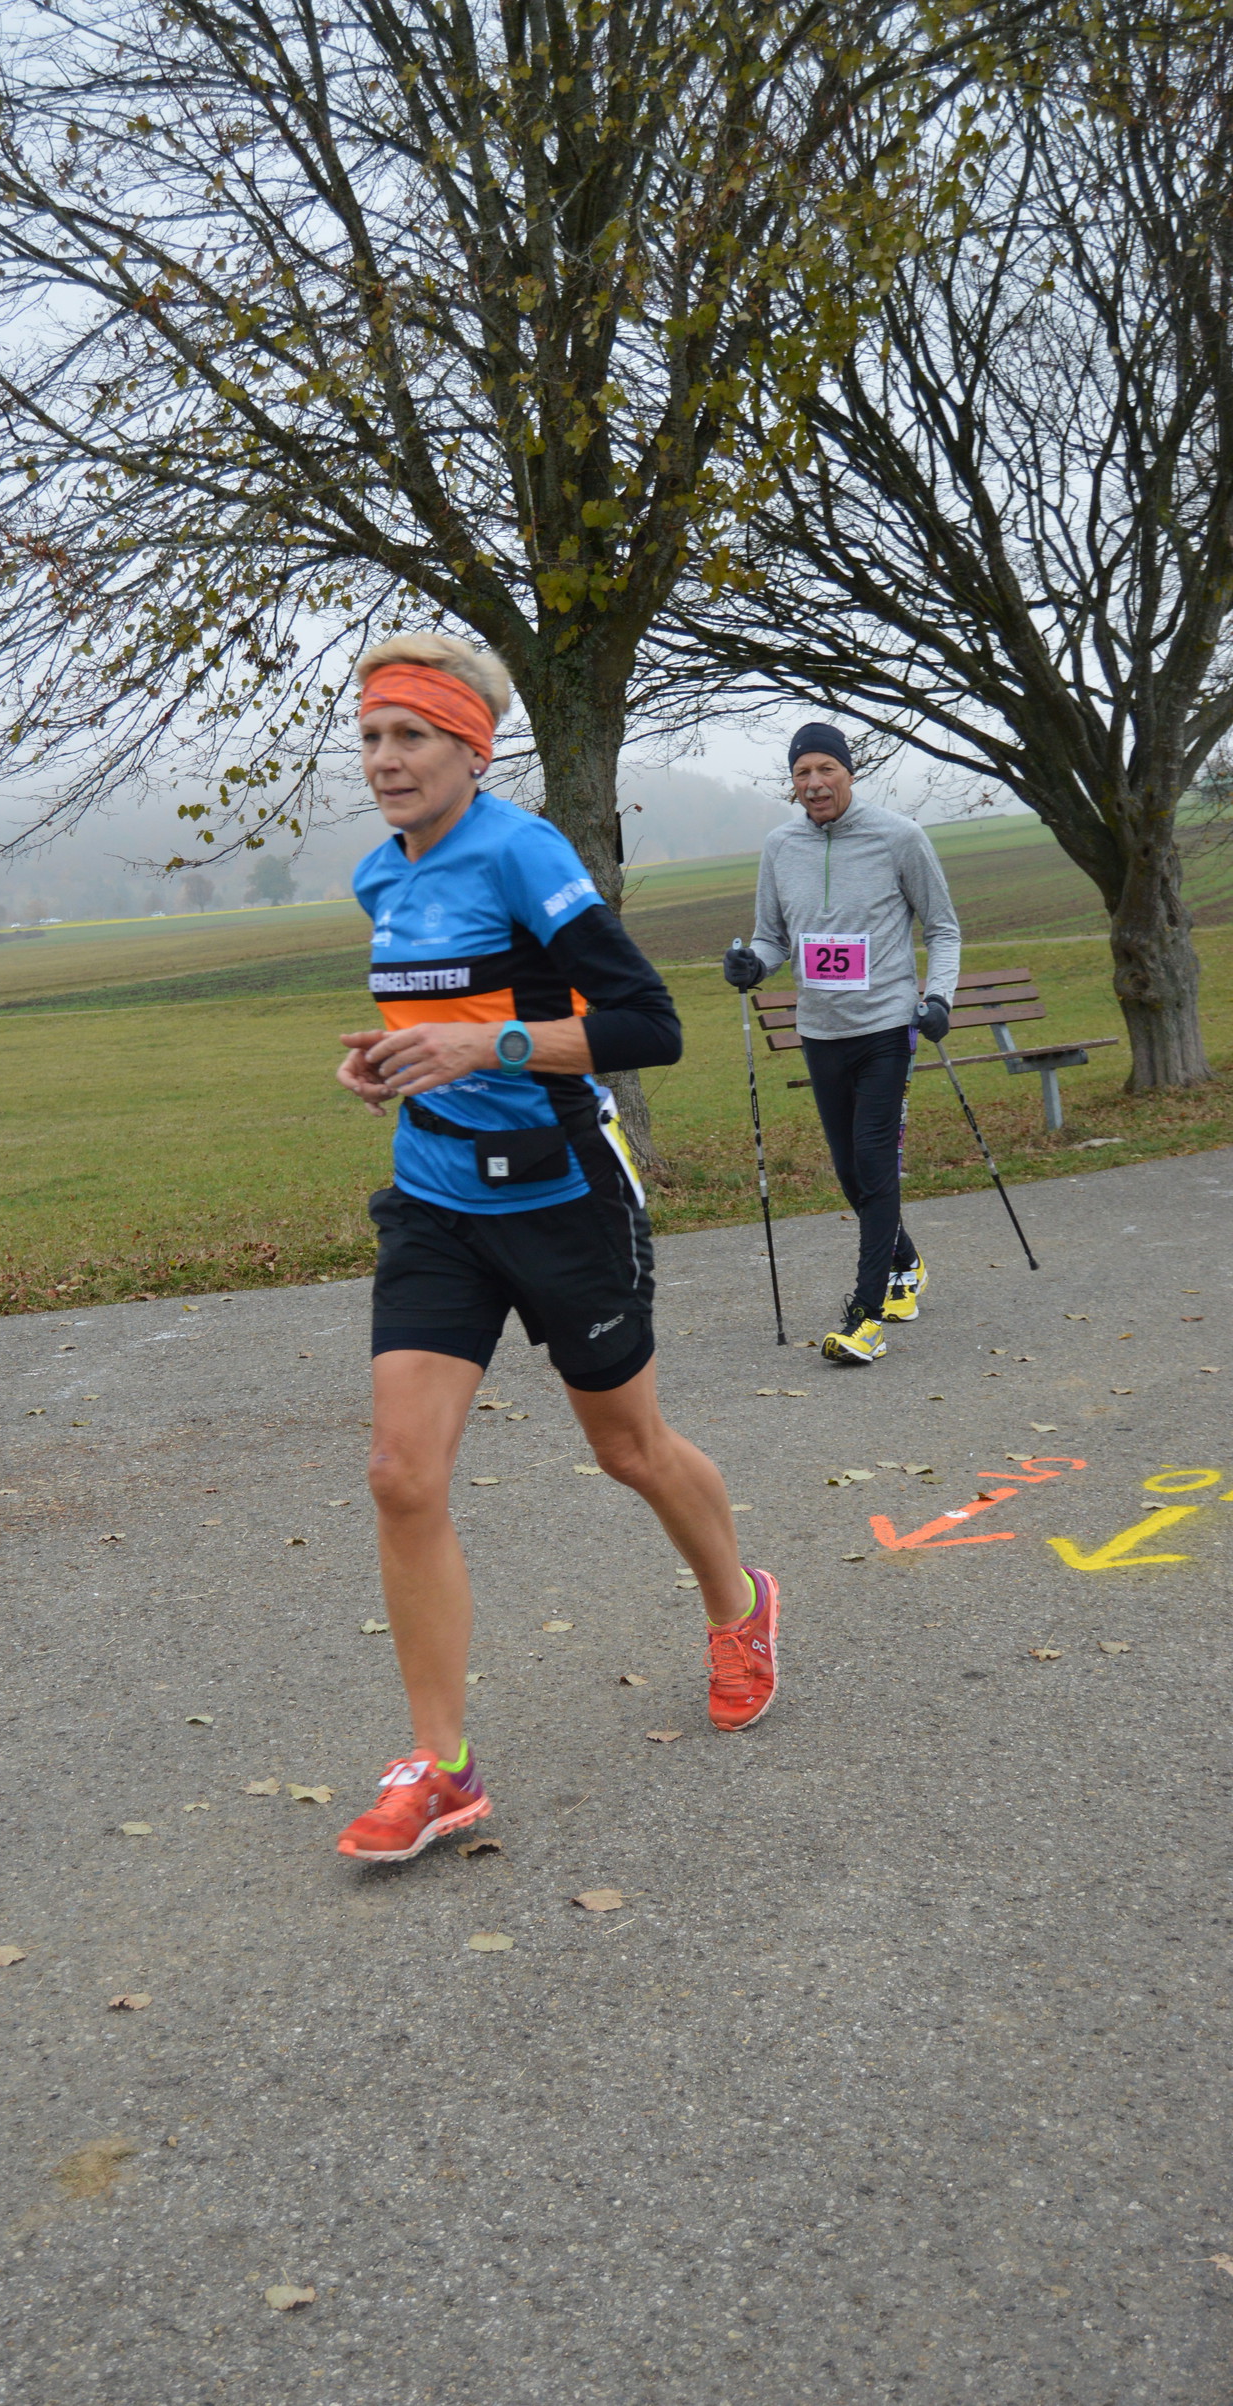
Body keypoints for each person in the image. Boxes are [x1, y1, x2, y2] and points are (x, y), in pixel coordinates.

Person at [331, 631, 780, 1864]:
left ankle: (739, 1605)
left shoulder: (523, 852)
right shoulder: (379, 877)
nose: (384, 759)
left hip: (560, 1192)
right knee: (399, 1473)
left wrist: (490, 1048)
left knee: (627, 1447)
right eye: (370, 738)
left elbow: (648, 1025)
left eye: (411, 736)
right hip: (434, 1200)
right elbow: (437, 1019)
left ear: (471, 749)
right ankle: (440, 1768)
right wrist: (386, 1064)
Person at [724, 723, 961, 1364]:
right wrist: (753, 964)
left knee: (875, 1165)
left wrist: (939, 998)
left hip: (886, 1027)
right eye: (802, 773)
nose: (814, 783)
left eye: (825, 769)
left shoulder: (899, 836)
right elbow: (771, 937)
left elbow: (943, 929)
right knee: (851, 1173)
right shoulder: (781, 846)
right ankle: (906, 1261)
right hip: (820, 1031)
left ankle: (865, 1317)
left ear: (849, 772)